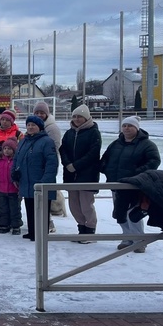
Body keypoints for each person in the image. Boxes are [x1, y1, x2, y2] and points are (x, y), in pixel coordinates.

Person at [100, 116, 161, 252]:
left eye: (130, 126)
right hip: (116, 184)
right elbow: (105, 159)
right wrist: (106, 169)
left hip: (134, 185)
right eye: (124, 126)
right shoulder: (116, 144)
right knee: (119, 213)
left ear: (136, 128)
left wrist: (136, 174)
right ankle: (127, 238)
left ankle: (139, 240)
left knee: (132, 212)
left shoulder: (147, 145)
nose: (126, 128)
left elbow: (154, 162)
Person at [59, 104, 102, 243]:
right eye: (75, 116)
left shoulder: (93, 132)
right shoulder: (69, 133)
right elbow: (63, 149)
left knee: (86, 204)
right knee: (74, 205)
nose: (77, 119)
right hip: (71, 175)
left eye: (80, 116)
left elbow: (93, 153)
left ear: (86, 118)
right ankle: (81, 228)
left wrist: (76, 166)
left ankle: (90, 230)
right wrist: (67, 164)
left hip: (87, 175)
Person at [12, 116, 58, 242]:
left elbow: (51, 163)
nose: (30, 127)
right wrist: (14, 174)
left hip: (40, 182)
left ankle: (41, 233)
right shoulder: (23, 141)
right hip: (26, 181)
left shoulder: (47, 142)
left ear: (40, 127)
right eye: (28, 125)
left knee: (41, 211)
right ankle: (32, 231)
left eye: (33, 125)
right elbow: (16, 159)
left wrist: (45, 182)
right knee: (30, 207)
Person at [33, 101, 66, 223]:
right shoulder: (35, 126)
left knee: (45, 196)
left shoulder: (52, 128)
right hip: (36, 166)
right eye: (37, 112)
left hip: (46, 166)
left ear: (47, 114)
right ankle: (39, 223)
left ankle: (48, 223)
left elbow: (54, 149)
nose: (39, 115)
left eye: (42, 112)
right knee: (37, 196)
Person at [0, 138, 22, 235]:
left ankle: (16, 225)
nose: (7, 151)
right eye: (5, 148)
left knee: (15, 209)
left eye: (9, 149)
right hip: (1, 189)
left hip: (13, 190)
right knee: (2, 209)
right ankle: (4, 225)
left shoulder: (16, 162)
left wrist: (19, 187)